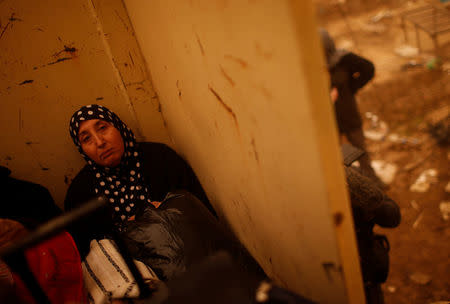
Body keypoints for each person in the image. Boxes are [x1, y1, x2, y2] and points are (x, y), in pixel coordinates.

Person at [64, 104, 263, 283]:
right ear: (82, 150)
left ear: (118, 127)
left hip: (193, 262)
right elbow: (91, 256)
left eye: (103, 128)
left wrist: (167, 211)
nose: (99, 142)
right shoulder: (82, 193)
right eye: (86, 138)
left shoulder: (160, 158)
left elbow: (201, 214)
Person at [319, 28, 385, 188]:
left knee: (360, 150)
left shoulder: (343, 60)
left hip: (348, 113)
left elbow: (368, 69)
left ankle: (373, 184)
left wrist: (351, 88)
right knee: (335, 156)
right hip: (328, 120)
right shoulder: (312, 68)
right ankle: (345, 187)